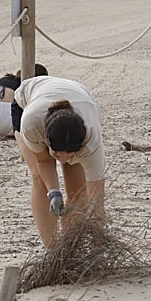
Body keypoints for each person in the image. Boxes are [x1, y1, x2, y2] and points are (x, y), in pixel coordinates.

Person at [12, 76, 106, 248]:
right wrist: (54, 192)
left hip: (79, 99)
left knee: (78, 192)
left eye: (69, 156)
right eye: (57, 154)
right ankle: (53, 250)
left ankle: (69, 247)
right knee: (40, 179)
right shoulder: (31, 124)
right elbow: (44, 161)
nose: (62, 161)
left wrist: (98, 244)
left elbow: (97, 201)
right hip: (27, 102)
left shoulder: (92, 144)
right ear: (46, 141)